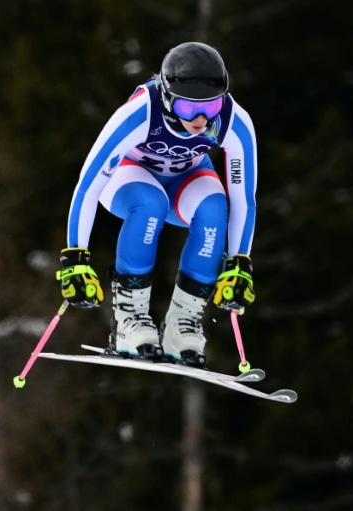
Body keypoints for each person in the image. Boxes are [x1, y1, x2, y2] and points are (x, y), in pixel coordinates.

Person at [55, 41, 257, 368]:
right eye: (189, 109)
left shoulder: (234, 121)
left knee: (214, 209)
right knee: (151, 204)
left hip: (186, 175)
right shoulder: (141, 112)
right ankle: (128, 321)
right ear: (167, 98)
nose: (202, 120)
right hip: (129, 177)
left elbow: (243, 198)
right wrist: (75, 256)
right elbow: (89, 182)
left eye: (212, 106)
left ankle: (183, 325)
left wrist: (239, 263)